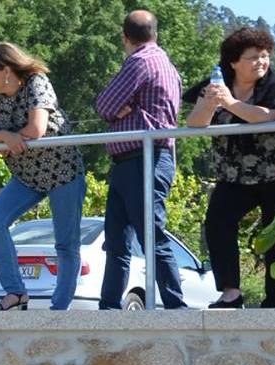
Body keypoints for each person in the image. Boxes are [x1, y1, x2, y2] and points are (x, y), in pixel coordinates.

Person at [0, 42, 89, 312]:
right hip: (25, 176)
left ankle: (59, 309)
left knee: (66, 243)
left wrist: (7, 139)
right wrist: (5, 136)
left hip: (63, 173)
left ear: (7, 70)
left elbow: (36, 128)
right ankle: (15, 293)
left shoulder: (37, 82)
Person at [187, 27, 275, 309]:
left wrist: (230, 103)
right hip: (234, 174)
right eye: (253, 57)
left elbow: (270, 115)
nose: (261, 62)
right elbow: (195, 123)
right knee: (217, 222)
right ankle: (230, 293)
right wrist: (210, 104)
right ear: (234, 62)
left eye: (265, 56)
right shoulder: (217, 81)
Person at [94, 10, 186, 310]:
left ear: (125, 38)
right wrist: (129, 107)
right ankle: (111, 305)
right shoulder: (167, 65)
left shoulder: (141, 61)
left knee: (147, 237)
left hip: (142, 159)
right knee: (121, 240)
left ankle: (174, 306)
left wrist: (124, 109)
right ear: (155, 33)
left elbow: (105, 104)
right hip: (141, 159)